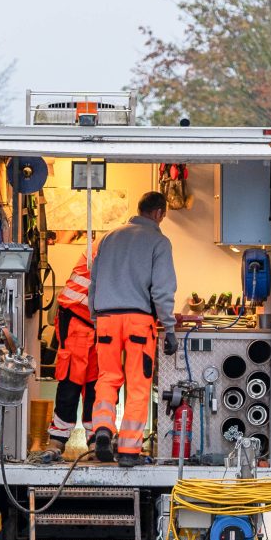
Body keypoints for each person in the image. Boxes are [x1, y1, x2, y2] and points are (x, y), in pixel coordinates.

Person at [88, 191, 178, 467]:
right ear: (159, 213)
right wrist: (170, 328)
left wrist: (95, 316)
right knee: (138, 384)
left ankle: (102, 429)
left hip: (106, 318)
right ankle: (128, 450)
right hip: (139, 321)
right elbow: (162, 289)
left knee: (107, 377)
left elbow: (94, 282)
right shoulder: (159, 241)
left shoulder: (109, 237)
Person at [46, 242, 98, 456]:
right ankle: (58, 438)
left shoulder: (113, 246)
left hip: (96, 322)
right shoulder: (112, 249)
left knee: (96, 382)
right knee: (72, 380)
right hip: (78, 317)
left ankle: (95, 438)